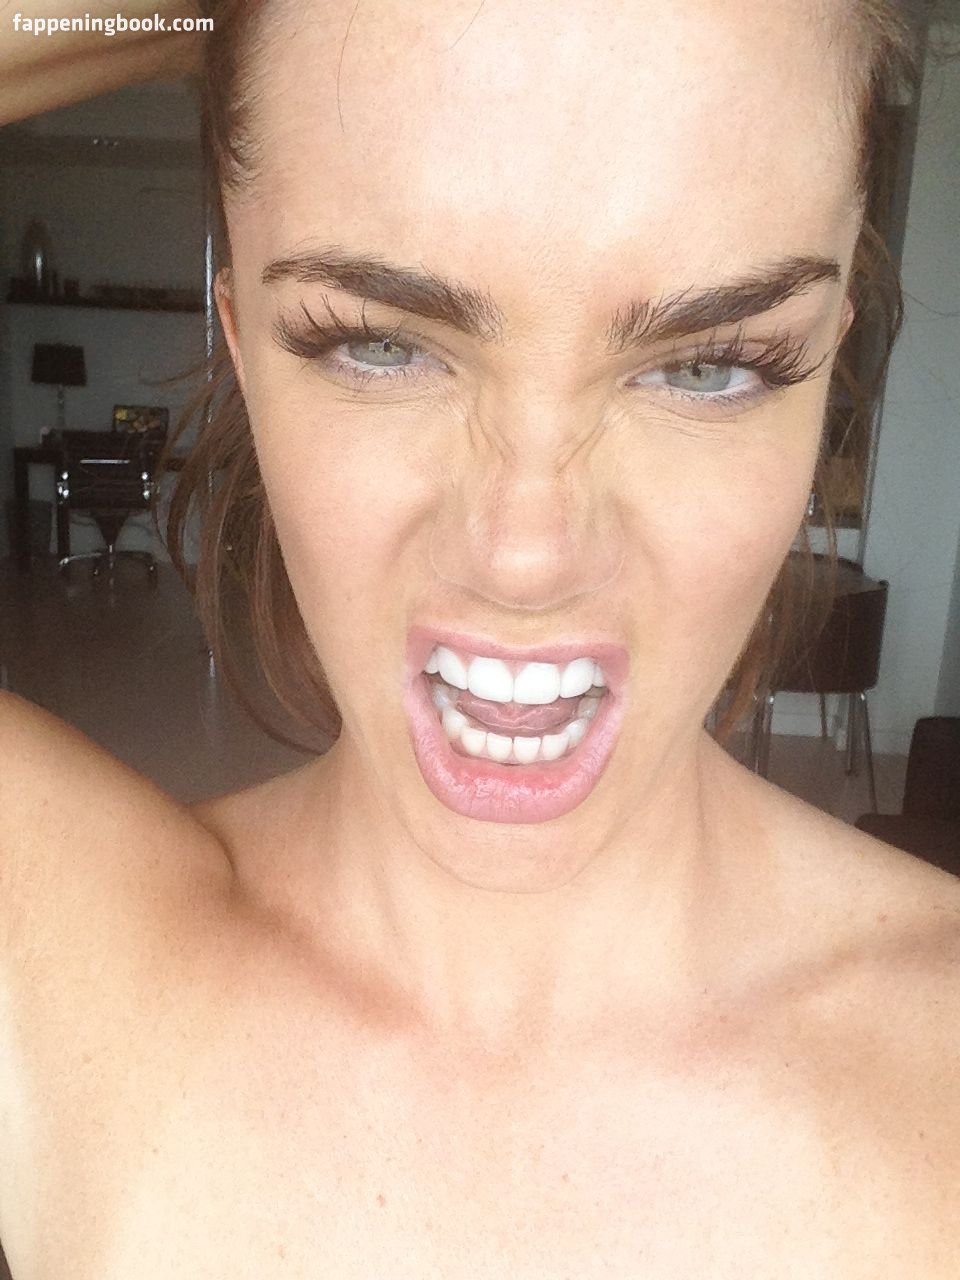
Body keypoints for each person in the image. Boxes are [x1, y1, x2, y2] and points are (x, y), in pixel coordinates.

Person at [1, 1, 958, 1274]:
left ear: (828, 359)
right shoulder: (61, 943)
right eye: (379, 343)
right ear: (239, 343)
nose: (526, 553)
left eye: (709, 363)